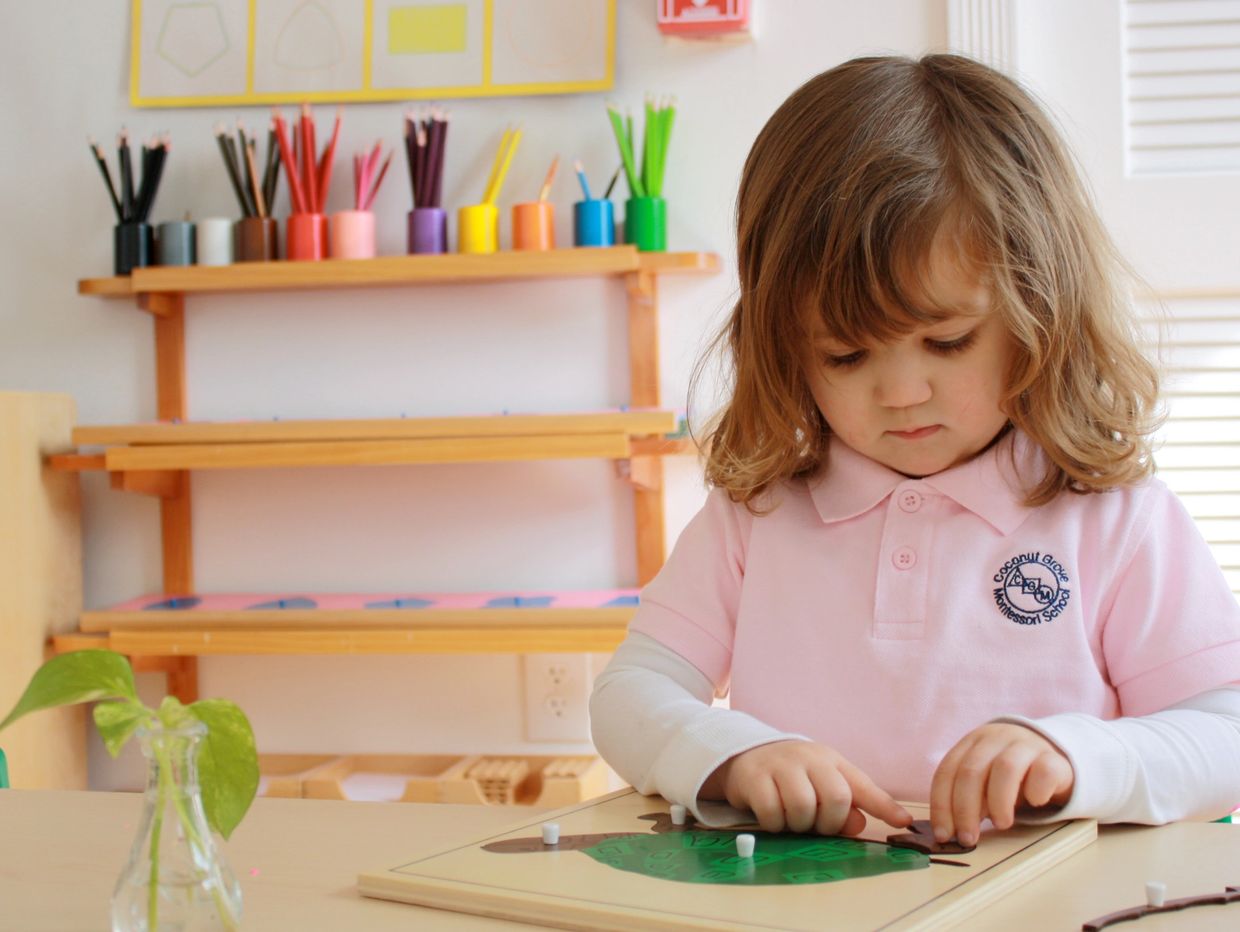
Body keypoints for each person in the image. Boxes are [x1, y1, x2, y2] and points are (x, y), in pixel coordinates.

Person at [590, 54, 1240, 847]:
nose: (900, 392)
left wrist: (1079, 755)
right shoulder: (756, 514)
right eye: (844, 355)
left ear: (1041, 309)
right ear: (784, 344)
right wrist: (729, 753)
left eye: (948, 340)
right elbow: (629, 693)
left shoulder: (1113, 517)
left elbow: (1223, 735)